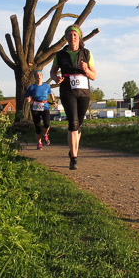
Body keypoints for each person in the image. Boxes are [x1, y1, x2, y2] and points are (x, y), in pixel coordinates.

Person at [50, 25, 97, 170]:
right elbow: (52, 72)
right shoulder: (60, 55)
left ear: (79, 37)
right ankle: (74, 158)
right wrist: (56, 78)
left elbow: (94, 76)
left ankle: (73, 150)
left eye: (75, 35)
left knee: (79, 124)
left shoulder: (87, 53)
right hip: (67, 91)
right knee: (73, 123)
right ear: (66, 38)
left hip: (83, 92)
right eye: (69, 35)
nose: (72, 37)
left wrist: (86, 70)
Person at [25, 70, 57, 149]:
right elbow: (27, 96)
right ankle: (39, 143)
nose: (38, 76)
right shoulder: (32, 87)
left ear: (42, 76)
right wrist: (28, 99)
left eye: (40, 75)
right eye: (37, 75)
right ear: (35, 77)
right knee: (38, 126)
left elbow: (50, 93)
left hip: (45, 106)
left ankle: (45, 134)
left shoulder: (46, 86)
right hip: (35, 106)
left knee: (47, 124)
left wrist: (53, 101)